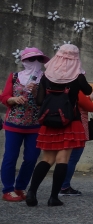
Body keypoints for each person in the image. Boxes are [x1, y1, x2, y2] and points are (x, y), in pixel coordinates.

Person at [25, 44, 93, 207]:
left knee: (47, 159)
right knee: (63, 159)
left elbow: (40, 101)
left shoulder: (46, 76)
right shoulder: (78, 76)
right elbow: (88, 90)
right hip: (70, 121)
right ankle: (53, 197)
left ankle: (32, 192)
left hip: (49, 121)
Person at [1, 48, 49, 202]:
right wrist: (14, 99)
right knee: (10, 156)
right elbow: (4, 97)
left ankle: (20, 186)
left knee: (31, 158)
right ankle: (8, 189)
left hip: (35, 125)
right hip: (14, 123)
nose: (34, 63)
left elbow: (46, 101)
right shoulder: (15, 77)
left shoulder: (45, 79)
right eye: (30, 59)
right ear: (23, 61)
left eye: (38, 59)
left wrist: (36, 93)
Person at [59, 89, 93, 196]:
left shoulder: (64, 89)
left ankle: (60, 185)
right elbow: (92, 107)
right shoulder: (76, 91)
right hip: (78, 130)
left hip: (66, 129)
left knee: (64, 158)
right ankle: (64, 186)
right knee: (71, 160)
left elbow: (83, 102)